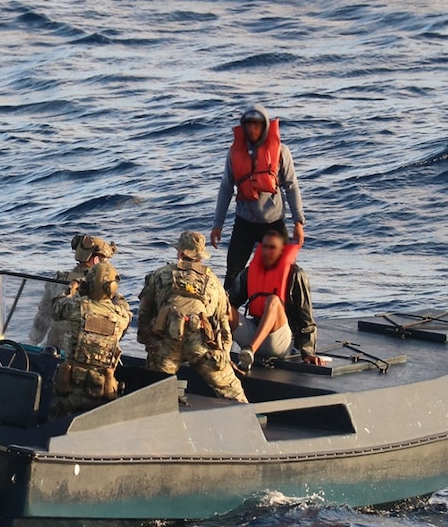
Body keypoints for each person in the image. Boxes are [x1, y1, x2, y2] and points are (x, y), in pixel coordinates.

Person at [137, 231, 245, 402]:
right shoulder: (214, 282)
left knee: (155, 391)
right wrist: (223, 355)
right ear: (201, 256)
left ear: (180, 253)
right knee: (231, 390)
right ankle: (245, 420)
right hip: (201, 341)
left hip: (167, 342)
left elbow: (144, 314)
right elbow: (223, 324)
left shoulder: (160, 275)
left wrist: (149, 343)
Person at [210, 105, 308, 287]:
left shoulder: (280, 151)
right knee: (232, 273)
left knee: (283, 275)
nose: (252, 129)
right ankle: (226, 314)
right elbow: (226, 188)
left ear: (264, 126)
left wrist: (298, 222)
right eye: (248, 125)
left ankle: (281, 313)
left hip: (273, 223)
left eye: (257, 125)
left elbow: (291, 186)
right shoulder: (234, 153)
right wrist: (218, 225)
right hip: (244, 222)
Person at [227, 227, 323, 370]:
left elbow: (306, 320)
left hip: (280, 342)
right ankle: (215, 351)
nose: (267, 251)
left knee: (273, 300)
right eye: (264, 247)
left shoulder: (296, 274)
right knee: (222, 304)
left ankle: (250, 352)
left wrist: (307, 352)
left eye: (272, 247)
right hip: (254, 333)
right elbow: (231, 300)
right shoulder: (250, 272)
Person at [50, 261, 132, 417]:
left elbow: (56, 308)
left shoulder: (76, 308)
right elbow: (124, 308)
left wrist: (72, 288)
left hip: (70, 388)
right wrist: (114, 294)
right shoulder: (120, 317)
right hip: (101, 391)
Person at [29, 233, 116, 346]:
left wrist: (32, 342)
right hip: (82, 353)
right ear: (96, 260)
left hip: (53, 349)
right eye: (105, 261)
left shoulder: (58, 281)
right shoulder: (101, 287)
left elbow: (43, 316)